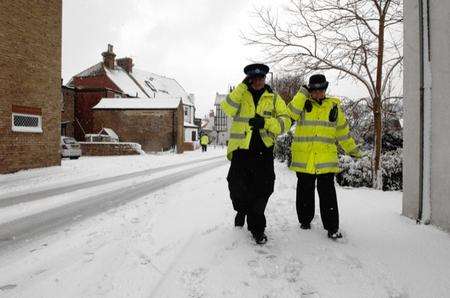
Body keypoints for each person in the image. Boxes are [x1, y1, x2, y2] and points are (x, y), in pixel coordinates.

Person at [220, 63, 291, 244]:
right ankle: (241, 210)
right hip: (241, 151)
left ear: (265, 78)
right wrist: (242, 86)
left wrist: (266, 123)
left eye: (261, 78)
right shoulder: (241, 94)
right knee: (236, 188)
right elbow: (226, 108)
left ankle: (257, 229)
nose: (258, 81)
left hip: (263, 152)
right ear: (249, 79)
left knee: (262, 190)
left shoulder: (274, 98)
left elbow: (286, 122)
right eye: (254, 78)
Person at [287, 74, 361, 240]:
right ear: (310, 90)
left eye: (321, 90)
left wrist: (353, 150)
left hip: (325, 160)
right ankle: (305, 221)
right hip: (305, 159)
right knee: (304, 191)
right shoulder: (302, 105)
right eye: (314, 90)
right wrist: (302, 93)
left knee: (327, 194)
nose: (318, 93)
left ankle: (332, 227)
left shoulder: (334, 107)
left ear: (325, 90)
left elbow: (342, 133)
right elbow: (289, 114)